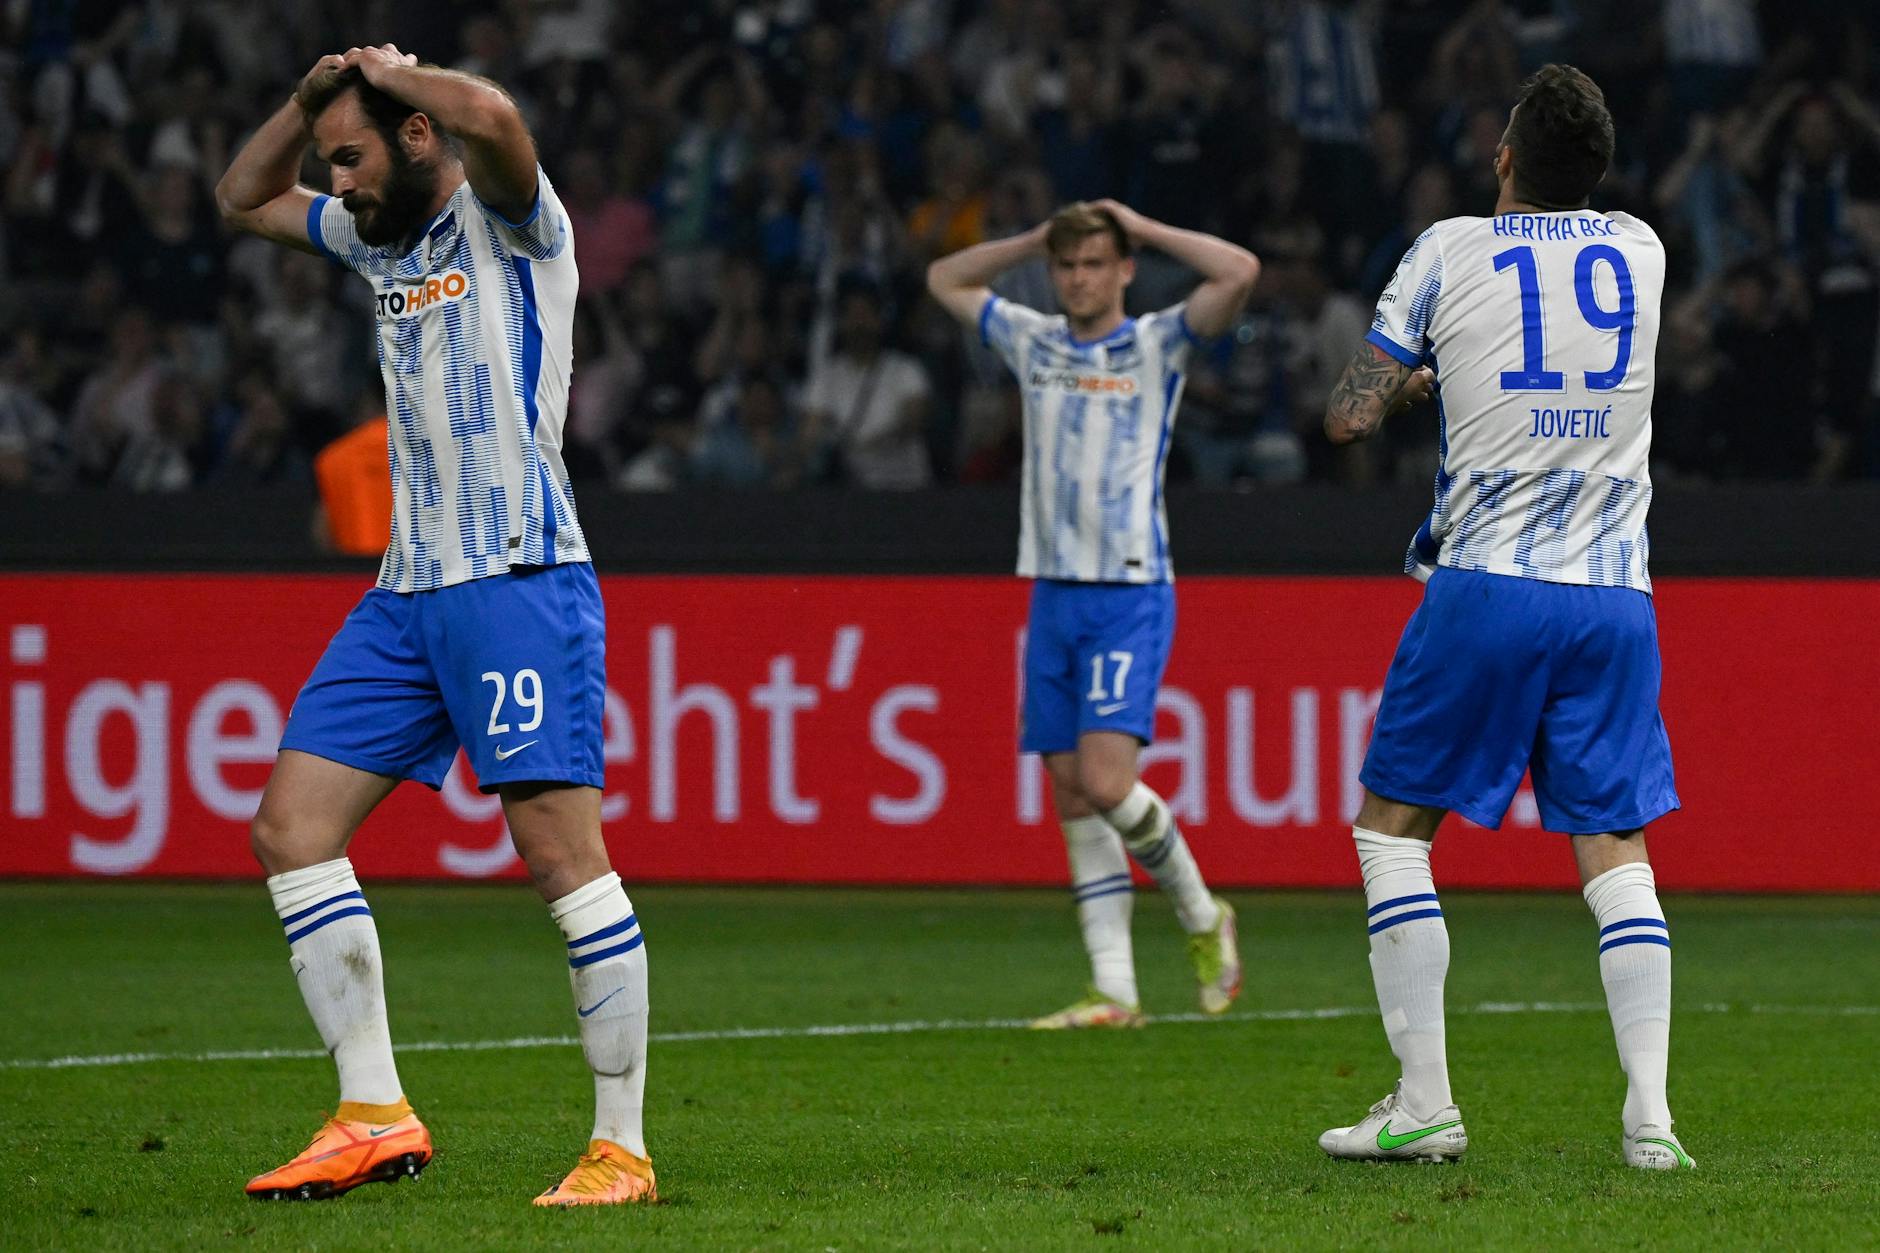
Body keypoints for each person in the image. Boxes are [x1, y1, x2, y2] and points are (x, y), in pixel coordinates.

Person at [215, 44, 655, 1206]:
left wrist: (396, 75)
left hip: (517, 575)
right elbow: (242, 197)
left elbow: (498, 117)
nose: (338, 181)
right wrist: (311, 101)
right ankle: (371, 1110)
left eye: (351, 157)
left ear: (417, 137)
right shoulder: (374, 240)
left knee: (561, 856)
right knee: (290, 828)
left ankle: (622, 1148)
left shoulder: (518, 226)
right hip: (405, 592)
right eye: (331, 162)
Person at [1316, 65, 1691, 1171]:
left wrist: (1404, 381)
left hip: (1485, 580)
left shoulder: (1444, 250)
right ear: (1600, 171)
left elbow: (1344, 415)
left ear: (1501, 159)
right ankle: (1649, 1120)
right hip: (1614, 596)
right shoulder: (1643, 252)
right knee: (1613, 847)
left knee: (1392, 829)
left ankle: (1423, 1100)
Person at [926, 199, 1259, 1028]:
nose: (1077, 279)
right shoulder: (1033, 339)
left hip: (1129, 588)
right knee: (1073, 793)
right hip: (1053, 589)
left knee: (1109, 781)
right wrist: (1033, 241)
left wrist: (1144, 226)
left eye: (1093, 264)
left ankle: (1200, 911)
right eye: (1067, 265)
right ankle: (1114, 989)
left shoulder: (1157, 343)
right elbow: (944, 276)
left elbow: (1240, 271)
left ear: (1123, 271)